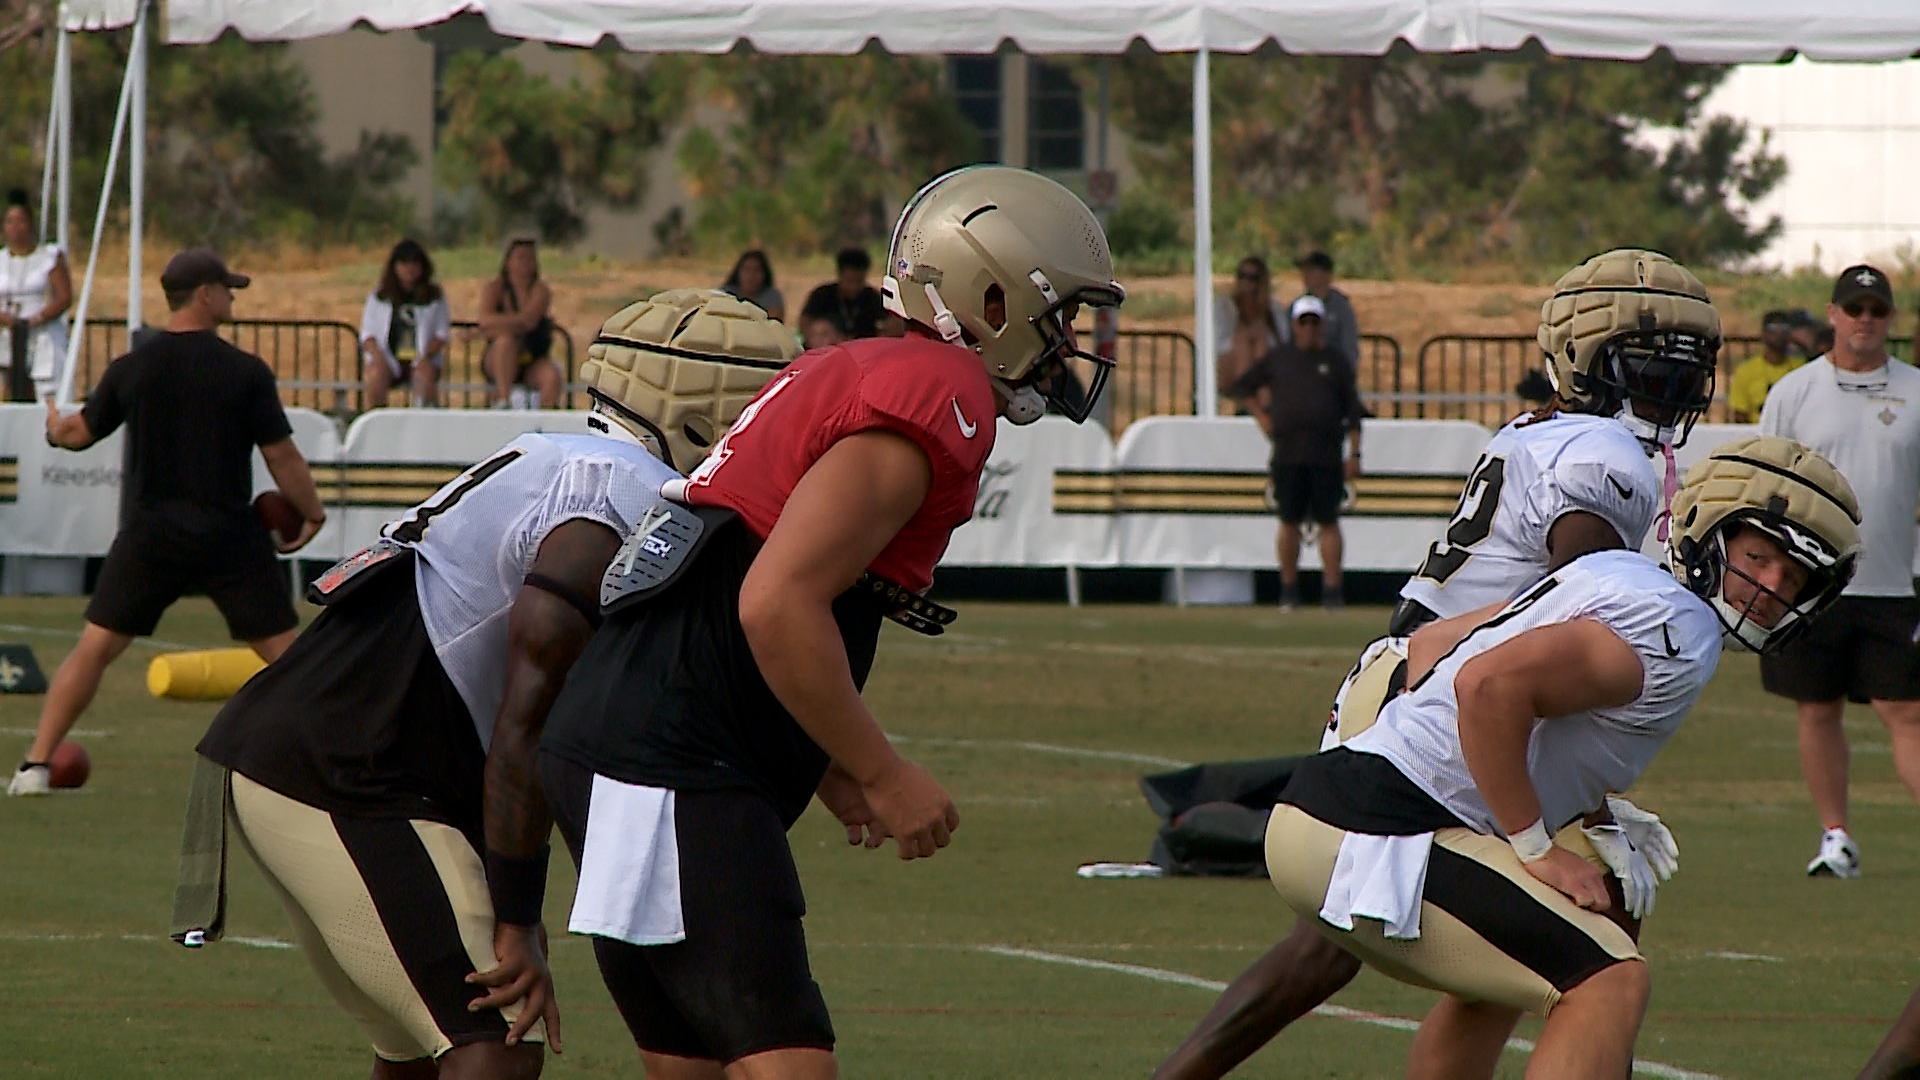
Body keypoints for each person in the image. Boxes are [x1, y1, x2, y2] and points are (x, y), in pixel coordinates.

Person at [535, 165, 1123, 1080]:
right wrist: (884, 773)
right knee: (786, 1067)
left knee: (694, 1065)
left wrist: (829, 773)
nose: (1072, 344)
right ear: (993, 295)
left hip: (619, 737)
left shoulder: (854, 365)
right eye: (1064, 317)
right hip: (681, 759)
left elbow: (725, 580)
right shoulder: (940, 389)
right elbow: (774, 602)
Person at [181, 290, 797, 1079]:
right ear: (707, 413)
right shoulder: (620, 488)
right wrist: (518, 917)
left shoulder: (562, 456)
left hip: (324, 756)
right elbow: (532, 695)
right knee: (494, 1040)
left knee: (419, 1051)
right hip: (352, 772)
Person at [1155, 247, 1723, 1080]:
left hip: (1412, 675)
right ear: (1586, 362)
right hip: (1441, 691)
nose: (1671, 388)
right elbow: (1584, 590)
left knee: (1355, 942)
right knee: (1596, 931)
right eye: (1648, 365)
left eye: (1684, 370)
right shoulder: (1605, 454)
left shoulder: (1552, 431)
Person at [1261, 435, 1856, 1079]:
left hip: (1340, 802)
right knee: (1609, 981)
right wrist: (1533, 844)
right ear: (1709, 534)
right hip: (1382, 824)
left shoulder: (1617, 575)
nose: (1769, 586)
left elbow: (1431, 646)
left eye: (1791, 576)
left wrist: (1577, 798)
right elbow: (1486, 687)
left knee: (1512, 974)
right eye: (1759, 556)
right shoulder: (1675, 627)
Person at [11, 250, 325, 797]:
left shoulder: (135, 366)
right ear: (204, 294)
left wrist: (53, 429)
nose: (232, 297)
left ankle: (35, 768)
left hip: (152, 532)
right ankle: (337, 762)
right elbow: (284, 459)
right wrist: (314, 512)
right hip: (229, 533)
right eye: (227, 289)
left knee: (94, 649)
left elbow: (80, 433)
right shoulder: (245, 371)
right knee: (291, 658)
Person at [1758, 263, 1920, 879]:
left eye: (1877, 310)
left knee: (1904, 711)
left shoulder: (1915, 390)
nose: (1865, 321)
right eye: (1854, 309)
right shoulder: (1793, 393)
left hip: (1892, 583)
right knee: (1816, 707)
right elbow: (1764, 485)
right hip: (1811, 582)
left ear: (1890, 319)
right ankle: (1836, 837)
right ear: (1832, 314)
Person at [1226, 294, 1363, 611]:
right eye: (1304, 323)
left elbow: (1352, 410)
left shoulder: (1337, 361)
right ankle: (1288, 589)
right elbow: (1242, 386)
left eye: (1315, 323)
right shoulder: (1280, 358)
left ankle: (1332, 590)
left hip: (1326, 453)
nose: (1310, 329)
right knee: (1288, 521)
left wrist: (1355, 453)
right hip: (1288, 452)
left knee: (1329, 521)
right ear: (1294, 326)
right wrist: (1262, 416)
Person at [360, 238, 451, 409]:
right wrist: (378, 357)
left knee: (425, 376)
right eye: (404, 263)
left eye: (415, 263)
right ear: (394, 266)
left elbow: (441, 333)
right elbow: (367, 334)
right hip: (388, 357)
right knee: (376, 375)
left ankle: (422, 419)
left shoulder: (434, 296)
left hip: (422, 357)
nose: (410, 268)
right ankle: (376, 418)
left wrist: (426, 356)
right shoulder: (379, 296)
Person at [0, 187, 72, 402]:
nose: (15, 228)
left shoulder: (48, 256)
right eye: (10, 222)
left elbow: (64, 297)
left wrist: (39, 318)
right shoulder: (2, 259)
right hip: (8, 332)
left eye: (20, 221)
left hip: (41, 332)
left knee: (48, 389)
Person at [478, 235, 562, 410]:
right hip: (500, 359)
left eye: (530, 258)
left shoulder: (540, 290)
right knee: (505, 341)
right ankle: (503, 399)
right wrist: (515, 324)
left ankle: (546, 420)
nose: (526, 263)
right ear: (508, 261)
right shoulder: (495, 288)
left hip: (532, 355)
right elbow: (485, 319)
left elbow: (530, 321)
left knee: (551, 375)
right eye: (521, 258)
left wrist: (497, 326)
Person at [1212, 256, 1286, 411]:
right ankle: (1251, 400)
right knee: (1245, 340)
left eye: (1252, 278)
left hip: (1263, 361)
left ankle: (1250, 401)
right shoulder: (1225, 305)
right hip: (1229, 364)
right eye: (1242, 276)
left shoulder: (1273, 308)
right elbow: (1219, 343)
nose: (1246, 282)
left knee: (1258, 337)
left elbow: (1282, 343)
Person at [1279, 251, 1359, 371]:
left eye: (1311, 270)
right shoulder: (1296, 306)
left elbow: (1349, 346)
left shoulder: (1341, 307)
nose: (1305, 275)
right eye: (1304, 270)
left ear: (1327, 274)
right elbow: (1286, 342)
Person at [1727, 309, 1806, 423]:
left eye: (1784, 328)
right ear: (1763, 333)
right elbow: (1740, 414)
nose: (1779, 333)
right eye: (1773, 328)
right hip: (1757, 434)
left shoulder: (1801, 368)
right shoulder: (1746, 370)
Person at [799, 247, 887, 341]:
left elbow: (888, 324)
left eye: (859, 281)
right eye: (849, 281)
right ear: (840, 275)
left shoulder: (872, 298)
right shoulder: (822, 296)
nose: (854, 287)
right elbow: (805, 323)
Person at [721, 249, 785, 323]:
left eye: (756, 270)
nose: (751, 276)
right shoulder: (725, 294)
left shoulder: (772, 297)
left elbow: (775, 323)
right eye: (747, 269)